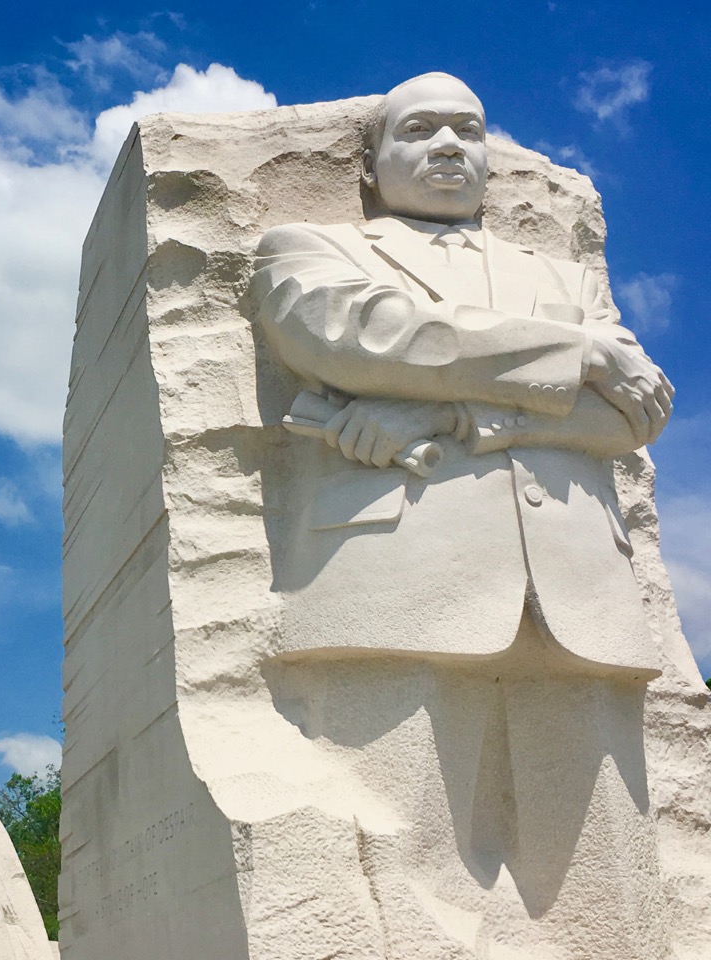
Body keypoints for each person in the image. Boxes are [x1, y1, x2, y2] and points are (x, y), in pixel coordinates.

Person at [248, 72, 673, 952]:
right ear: (369, 164)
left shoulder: (566, 278)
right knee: (400, 880)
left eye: (467, 129)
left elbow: (635, 415)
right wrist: (576, 355)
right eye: (421, 130)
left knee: (614, 896)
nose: (449, 145)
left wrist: (448, 416)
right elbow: (368, 337)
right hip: (402, 577)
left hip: (582, 586)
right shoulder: (308, 250)